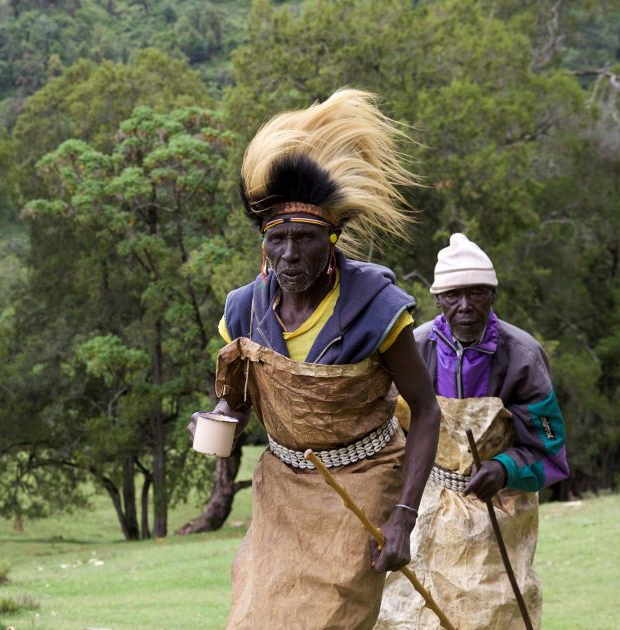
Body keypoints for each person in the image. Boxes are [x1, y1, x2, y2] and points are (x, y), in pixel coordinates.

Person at [190, 89, 442, 629]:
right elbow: (231, 406)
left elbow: (426, 409)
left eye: (304, 239)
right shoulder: (242, 312)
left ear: (332, 239)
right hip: (282, 488)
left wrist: (403, 516)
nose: (289, 255)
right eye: (276, 240)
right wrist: (217, 423)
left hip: (364, 481)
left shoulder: (376, 307)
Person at [376, 233, 569, 630]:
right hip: (424, 502)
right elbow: (387, 431)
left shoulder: (523, 357)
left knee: (489, 612)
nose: (465, 307)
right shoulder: (414, 348)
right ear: (437, 299)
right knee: (410, 613)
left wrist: (504, 468)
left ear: (492, 295)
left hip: (498, 507)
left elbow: (550, 451)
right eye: (453, 295)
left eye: (476, 294)